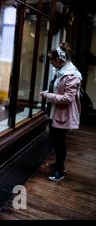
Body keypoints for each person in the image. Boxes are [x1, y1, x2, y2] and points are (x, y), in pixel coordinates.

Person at [40, 42, 82, 182]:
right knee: (56, 140)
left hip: (63, 115)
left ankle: (60, 170)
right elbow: (59, 91)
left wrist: (47, 96)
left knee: (60, 143)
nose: (51, 64)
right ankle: (58, 163)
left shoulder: (72, 75)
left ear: (59, 60)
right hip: (55, 112)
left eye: (52, 61)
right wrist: (48, 92)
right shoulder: (62, 71)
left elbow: (67, 98)